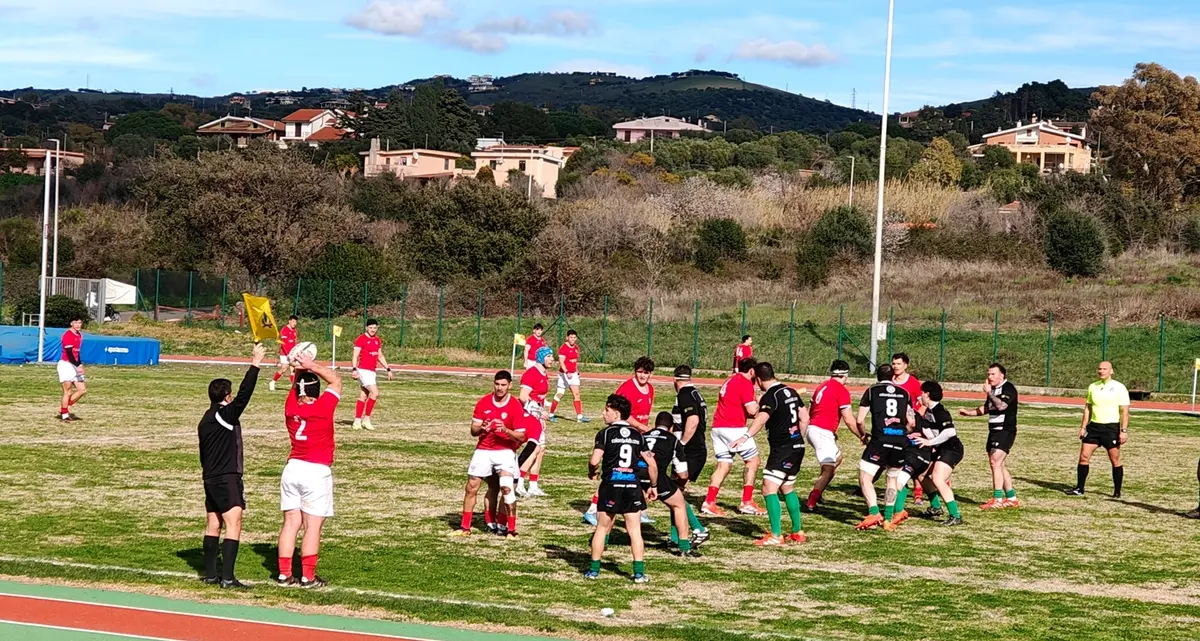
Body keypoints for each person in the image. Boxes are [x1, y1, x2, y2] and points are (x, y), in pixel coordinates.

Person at [197, 343, 266, 588]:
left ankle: (210, 574)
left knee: (213, 523)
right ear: (227, 396)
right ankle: (227, 577)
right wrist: (255, 364)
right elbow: (245, 396)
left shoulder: (205, 419)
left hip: (210, 477)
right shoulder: (223, 415)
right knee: (233, 522)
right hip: (226, 477)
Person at [276, 353, 342, 588]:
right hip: (316, 471)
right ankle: (308, 576)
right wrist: (311, 365)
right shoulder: (323, 407)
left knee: (290, 523)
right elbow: (336, 380)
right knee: (312, 526)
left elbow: (295, 387)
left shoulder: (290, 407)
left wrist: (298, 370)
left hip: (292, 468)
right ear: (317, 392)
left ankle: (284, 574)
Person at [585, 394, 656, 583]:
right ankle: (639, 573)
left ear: (616, 414)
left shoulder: (605, 433)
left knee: (601, 528)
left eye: (606, 410)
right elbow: (652, 463)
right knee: (635, 531)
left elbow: (594, 461)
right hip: (632, 486)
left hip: (611, 486)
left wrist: (592, 472)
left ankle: (594, 570)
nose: (603, 413)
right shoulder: (638, 435)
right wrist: (653, 485)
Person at [452, 371, 526, 539]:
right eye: (497, 384)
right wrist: (481, 428)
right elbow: (473, 431)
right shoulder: (483, 402)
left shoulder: (515, 405)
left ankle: (511, 530)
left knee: (507, 488)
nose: (499, 388)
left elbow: (521, 436)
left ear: (509, 385)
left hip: (505, 451)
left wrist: (506, 430)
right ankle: (465, 527)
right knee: (471, 487)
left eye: (503, 385)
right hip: (484, 450)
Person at [584, 357, 656, 525]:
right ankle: (593, 508)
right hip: (624, 435)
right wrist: (640, 426)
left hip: (638, 437)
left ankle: (639, 508)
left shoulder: (650, 389)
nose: (642, 376)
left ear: (651, 374)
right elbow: (620, 412)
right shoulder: (627, 388)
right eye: (639, 372)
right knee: (617, 472)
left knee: (637, 471)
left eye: (646, 373)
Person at [743, 362, 808, 546]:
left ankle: (776, 535)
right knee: (787, 487)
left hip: (783, 449)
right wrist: (798, 437)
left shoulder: (770, 396)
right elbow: (804, 417)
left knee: (768, 488)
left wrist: (746, 436)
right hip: (797, 446)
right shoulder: (791, 391)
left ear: (758, 380)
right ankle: (797, 531)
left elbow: (762, 418)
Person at [853, 364, 915, 530]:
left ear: (877, 377)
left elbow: (859, 420)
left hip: (880, 440)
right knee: (892, 479)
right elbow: (912, 422)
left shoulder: (872, 391)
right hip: (900, 441)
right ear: (893, 376)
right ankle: (887, 519)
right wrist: (901, 433)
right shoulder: (905, 393)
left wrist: (863, 435)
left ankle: (874, 512)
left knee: (865, 477)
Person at [702, 358, 765, 517]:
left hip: (718, 427)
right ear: (752, 371)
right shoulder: (745, 383)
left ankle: (709, 502)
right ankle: (747, 501)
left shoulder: (730, 380)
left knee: (723, 465)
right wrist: (760, 402)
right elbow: (752, 410)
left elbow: (737, 406)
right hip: (733, 428)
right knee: (753, 461)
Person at [642, 412, 706, 557]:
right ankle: (684, 547)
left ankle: (604, 541)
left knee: (620, 508)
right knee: (679, 504)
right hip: (657, 477)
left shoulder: (642, 436)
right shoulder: (673, 440)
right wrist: (680, 485)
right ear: (671, 428)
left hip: (633, 476)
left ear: (655, 425)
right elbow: (683, 474)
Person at [960, 363, 1020, 509]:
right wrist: (969, 413)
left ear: (1002, 375)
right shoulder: (993, 389)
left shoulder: (1008, 388)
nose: (990, 377)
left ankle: (997, 499)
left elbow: (1001, 406)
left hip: (1005, 430)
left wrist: (988, 392)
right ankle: (1011, 498)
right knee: (999, 464)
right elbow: (988, 407)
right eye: (988, 374)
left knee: (995, 462)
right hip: (993, 430)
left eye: (993, 374)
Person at [1066, 361, 1130, 498]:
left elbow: (1124, 411)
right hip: (1094, 427)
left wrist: (1123, 431)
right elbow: (1088, 408)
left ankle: (1117, 492)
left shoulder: (1119, 387)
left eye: (1105, 369)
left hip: (1111, 428)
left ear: (1111, 371)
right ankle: (1079, 488)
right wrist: (1083, 427)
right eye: (1099, 369)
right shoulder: (1093, 387)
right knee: (1083, 456)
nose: (1101, 371)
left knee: (1115, 460)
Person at [910, 381, 964, 526]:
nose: (920, 396)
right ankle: (936, 507)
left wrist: (930, 442)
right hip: (941, 449)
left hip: (951, 449)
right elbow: (929, 430)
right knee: (920, 473)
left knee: (938, 479)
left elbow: (950, 432)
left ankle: (955, 515)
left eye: (922, 393)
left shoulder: (940, 411)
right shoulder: (928, 411)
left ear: (927, 394)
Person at [805, 360, 856, 511]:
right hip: (821, 431)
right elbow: (849, 420)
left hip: (815, 429)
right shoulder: (841, 390)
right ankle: (811, 502)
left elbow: (810, 409)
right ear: (845, 375)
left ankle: (818, 492)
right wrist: (861, 435)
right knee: (828, 468)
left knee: (837, 458)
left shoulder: (822, 386)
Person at [516, 347, 555, 498]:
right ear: (541, 357)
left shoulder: (543, 373)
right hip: (528, 416)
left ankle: (533, 484)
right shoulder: (531, 373)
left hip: (537, 416)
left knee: (541, 449)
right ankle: (518, 481)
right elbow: (523, 397)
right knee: (535, 448)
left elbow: (539, 396)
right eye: (549, 356)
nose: (552, 359)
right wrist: (538, 412)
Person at [891, 353, 925, 503]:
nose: (896, 366)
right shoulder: (889, 381)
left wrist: (915, 420)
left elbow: (923, 404)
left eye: (898, 364)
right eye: (894, 364)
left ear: (905, 365)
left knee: (913, 456)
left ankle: (918, 491)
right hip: (893, 425)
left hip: (911, 426)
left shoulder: (913, 383)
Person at [670, 365, 709, 488]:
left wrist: (682, 443)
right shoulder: (695, 393)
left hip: (691, 448)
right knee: (676, 485)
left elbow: (693, 420)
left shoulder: (684, 394)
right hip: (698, 445)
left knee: (676, 485)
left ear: (674, 380)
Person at [351, 319, 393, 431]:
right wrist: (354, 369)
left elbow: (380, 356)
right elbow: (355, 355)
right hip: (363, 370)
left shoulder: (377, 340)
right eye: (370, 328)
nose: (373, 330)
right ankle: (366, 419)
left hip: (372, 371)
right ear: (366, 328)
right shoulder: (361, 339)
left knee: (363, 396)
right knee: (375, 393)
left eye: (374, 328)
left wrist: (388, 369)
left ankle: (357, 421)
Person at [548, 330, 589, 423]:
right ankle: (551, 414)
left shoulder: (576, 348)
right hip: (564, 374)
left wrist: (576, 371)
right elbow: (561, 362)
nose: (572, 339)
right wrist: (566, 372)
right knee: (560, 394)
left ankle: (579, 417)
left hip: (573, 374)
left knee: (576, 394)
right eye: (571, 337)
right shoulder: (563, 348)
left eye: (574, 337)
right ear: (567, 338)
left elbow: (574, 361)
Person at [57, 316, 87, 422]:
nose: (78, 325)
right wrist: (77, 365)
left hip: (74, 364)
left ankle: (64, 407)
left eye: (80, 322)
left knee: (82, 390)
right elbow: (69, 354)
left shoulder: (79, 335)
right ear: (71, 324)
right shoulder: (68, 335)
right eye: (76, 322)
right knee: (68, 391)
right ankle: (64, 415)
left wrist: (79, 364)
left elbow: (76, 353)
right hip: (65, 365)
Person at [270, 316, 299, 392]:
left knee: (293, 369)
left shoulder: (295, 331)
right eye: (293, 321)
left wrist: (296, 351)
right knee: (284, 369)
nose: (294, 323)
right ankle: (273, 382)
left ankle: (294, 387)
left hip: (292, 353)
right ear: (289, 321)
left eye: (295, 322)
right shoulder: (285, 330)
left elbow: (295, 342)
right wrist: (288, 354)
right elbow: (283, 344)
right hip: (285, 353)